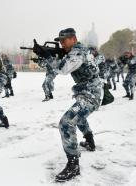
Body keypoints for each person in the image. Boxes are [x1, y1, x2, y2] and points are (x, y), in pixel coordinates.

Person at [33, 28, 103, 182]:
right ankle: (90, 141)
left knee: (66, 122)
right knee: (80, 117)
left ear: (74, 39)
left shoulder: (78, 52)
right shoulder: (74, 52)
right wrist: (44, 56)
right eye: (60, 41)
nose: (62, 43)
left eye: (64, 40)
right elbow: (57, 65)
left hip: (91, 95)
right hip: (85, 92)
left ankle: (73, 164)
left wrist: (47, 55)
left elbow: (63, 68)